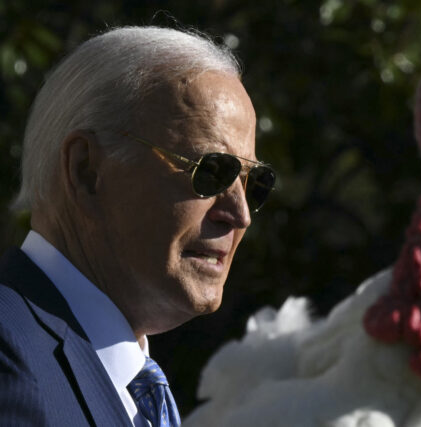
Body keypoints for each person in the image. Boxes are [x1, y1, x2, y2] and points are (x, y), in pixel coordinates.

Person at [0, 26, 276, 426]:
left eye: (253, 183)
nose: (240, 214)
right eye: (210, 172)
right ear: (86, 171)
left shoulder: (130, 383)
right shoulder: (11, 366)